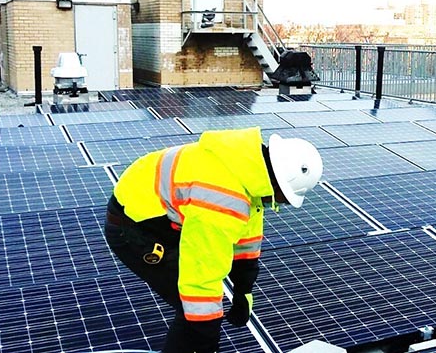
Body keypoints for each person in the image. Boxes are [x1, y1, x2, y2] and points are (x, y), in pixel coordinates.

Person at [104, 127, 323, 353]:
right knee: (191, 309)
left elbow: (247, 239)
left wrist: (243, 289)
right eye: (284, 197)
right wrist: (207, 337)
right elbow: (200, 275)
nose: (281, 204)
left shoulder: (249, 171)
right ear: (277, 182)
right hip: (135, 226)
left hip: (165, 215)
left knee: (197, 313)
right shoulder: (222, 197)